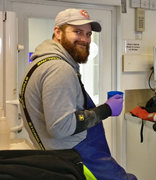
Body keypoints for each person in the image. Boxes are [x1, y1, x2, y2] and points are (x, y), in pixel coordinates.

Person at [19, 8, 137, 180]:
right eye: (77, 32)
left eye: (88, 34)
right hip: (78, 154)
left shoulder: (40, 63)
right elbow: (60, 127)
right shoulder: (59, 69)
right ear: (58, 32)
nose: (85, 39)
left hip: (61, 155)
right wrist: (106, 109)